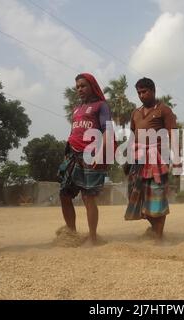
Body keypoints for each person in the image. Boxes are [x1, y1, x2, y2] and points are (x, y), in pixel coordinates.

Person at [58, 73, 112, 245]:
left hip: (91, 154)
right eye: (77, 87)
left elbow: (107, 131)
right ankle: (72, 234)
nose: (80, 89)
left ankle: (93, 238)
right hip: (72, 155)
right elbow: (74, 132)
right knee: (64, 194)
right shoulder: (76, 109)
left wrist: (101, 153)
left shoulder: (101, 106)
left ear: (92, 86)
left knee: (88, 197)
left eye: (83, 86)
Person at [124, 77, 177, 241]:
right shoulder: (135, 112)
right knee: (139, 198)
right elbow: (132, 137)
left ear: (153, 91)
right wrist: (128, 158)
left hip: (158, 160)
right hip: (138, 161)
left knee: (157, 198)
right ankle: (155, 231)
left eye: (144, 91)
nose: (141, 95)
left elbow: (173, 134)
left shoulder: (164, 110)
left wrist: (175, 159)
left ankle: (159, 238)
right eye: (138, 92)